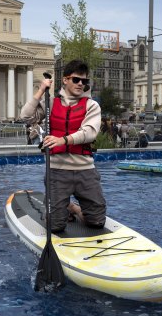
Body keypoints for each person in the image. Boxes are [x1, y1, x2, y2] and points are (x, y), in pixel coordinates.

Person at [20, 59, 106, 233]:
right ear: (65, 80)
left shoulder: (92, 105)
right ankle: (61, 208)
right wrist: (41, 90)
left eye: (84, 81)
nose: (81, 84)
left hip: (85, 170)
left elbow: (89, 132)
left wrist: (63, 140)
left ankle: (72, 207)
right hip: (57, 171)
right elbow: (26, 116)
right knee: (56, 226)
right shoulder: (51, 103)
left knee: (96, 222)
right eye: (76, 79)